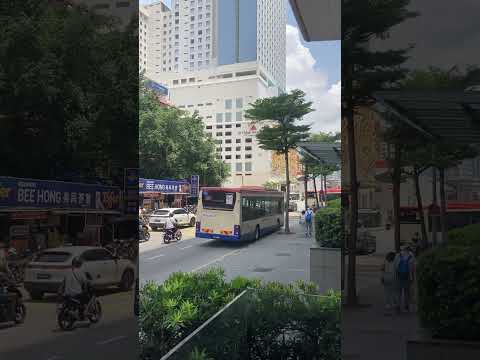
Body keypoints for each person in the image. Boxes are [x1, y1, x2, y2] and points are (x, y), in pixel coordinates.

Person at [394, 246, 415, 312]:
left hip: (403, 276)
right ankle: (403, 306)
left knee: (401, 292)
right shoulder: (410, 256)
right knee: (404, 292)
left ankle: (401, 306)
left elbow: (395, 266)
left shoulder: (399, 255)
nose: (404, 251)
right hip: (404, 276)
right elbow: (413, 268)